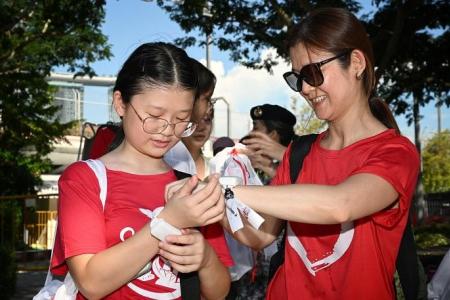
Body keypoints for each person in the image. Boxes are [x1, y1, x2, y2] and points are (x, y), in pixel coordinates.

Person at [194, 7, 419, 299]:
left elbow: (341, 204)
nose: (305, 89)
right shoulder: (299, 153)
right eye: (296, 79)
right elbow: (260, 235)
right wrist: (206, 201)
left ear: (356, 63)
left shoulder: (395, 153)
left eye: (312, 73)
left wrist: (225, 190)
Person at [51, 42, 231, 299]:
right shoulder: (84, 178)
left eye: (182, 119)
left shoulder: (189, 187)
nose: (168, 129)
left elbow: (219, 292)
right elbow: (90, 282)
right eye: (155, 115)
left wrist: (205, 259)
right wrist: (168, 222)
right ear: (121, 103)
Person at [240, 104, 297, 182]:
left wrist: (272, 170)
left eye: (255, 128)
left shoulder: (296, 165)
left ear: (273, 135)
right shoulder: (252, 160)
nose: (251, 133)